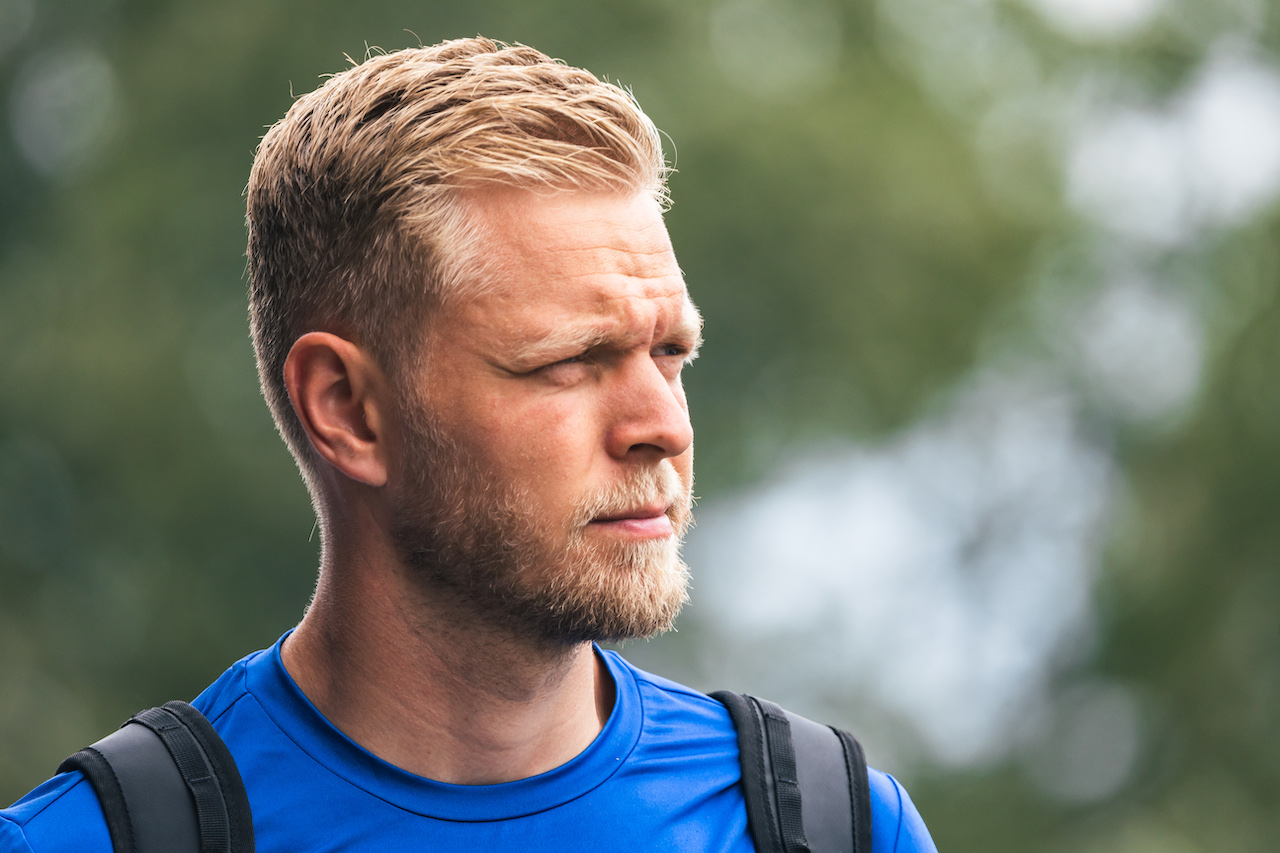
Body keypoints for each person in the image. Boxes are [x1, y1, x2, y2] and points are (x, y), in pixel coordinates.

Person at [0, 37, 937, 852]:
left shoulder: (829, 825)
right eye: (573, 361)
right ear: (349, 409)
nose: (664, 425)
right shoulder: (92, 841)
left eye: (671, 353)